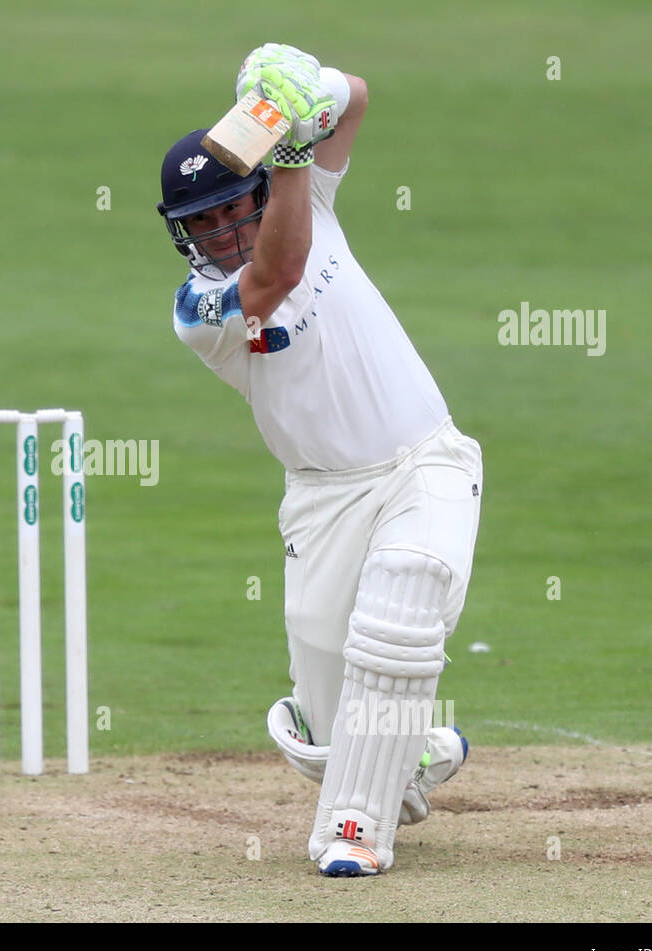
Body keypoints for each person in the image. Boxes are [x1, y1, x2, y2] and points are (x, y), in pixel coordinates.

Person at [157, 44, 484, 876]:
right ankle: (399, 760)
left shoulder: (310, 197)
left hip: (424, 462)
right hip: (322, 501)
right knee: (330, 729)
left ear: (258, 192)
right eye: (203, 222)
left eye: (233, 209)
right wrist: (292, 149)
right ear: (181, 235)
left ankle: (354, 832)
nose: (223, 231)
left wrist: (303, 93)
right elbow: (280, 270)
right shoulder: (202, 309)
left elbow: (360, 97)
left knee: (404, 596)